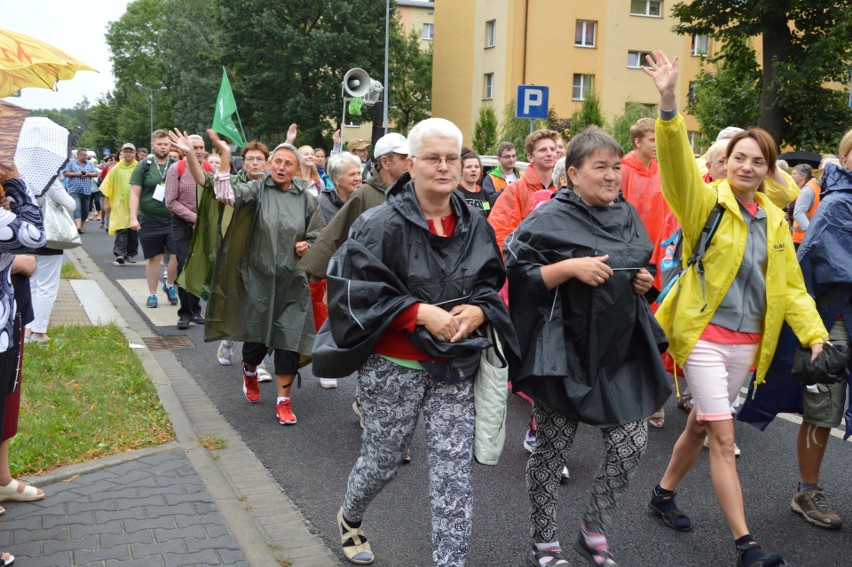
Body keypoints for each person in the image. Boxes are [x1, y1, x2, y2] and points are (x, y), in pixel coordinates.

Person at [642, 50, 827, 567]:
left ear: (769, 170)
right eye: (739, 157)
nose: (747, 166)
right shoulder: (705, 203)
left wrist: (816, 336)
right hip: (703, 336)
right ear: (727, 161)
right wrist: (669, 104)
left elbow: (790, 288)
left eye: (758, 160)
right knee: (722, 437)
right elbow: (677, 167)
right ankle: (747, 546)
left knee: (701, 424)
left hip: (747, 346)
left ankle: (661, 495)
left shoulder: (772, 219)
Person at [312, 117, 519, 566]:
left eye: (452, 158)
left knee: (453, 477)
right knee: (382, 461)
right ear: (412, 163)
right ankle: (350, 516)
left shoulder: (475, 224)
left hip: (455, 367)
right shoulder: (377, 223)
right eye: (432, 158)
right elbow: (351, 290)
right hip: (394, 366)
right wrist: (415, 312)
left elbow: (491, 283)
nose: (443, 168)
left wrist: (482, 309)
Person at [505, 127, 669, 567]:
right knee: (552, 450)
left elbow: (641, 262)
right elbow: (516, 273)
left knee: (631, 444)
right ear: (573, 174)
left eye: (616, 166)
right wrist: (568, 268)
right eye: (601, 167)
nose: (612, 175)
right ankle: (545, 545)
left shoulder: (627, 213)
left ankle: (593, 531)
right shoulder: (548, 217)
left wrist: (644, 282)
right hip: (565, 353)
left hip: (619, 349)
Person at [182, 129, 324, 425]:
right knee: (257, 341)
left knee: (289, 341)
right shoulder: (258, 190)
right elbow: (224, 193)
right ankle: (249, 370)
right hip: (258, 281)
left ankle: (284, 402)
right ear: (271, 164)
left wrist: (308, 244)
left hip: (291, 283)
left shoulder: (307, 198)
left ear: (297, 169)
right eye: (279, 162)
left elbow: (319, 233)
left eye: (289, 163)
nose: (283, 168)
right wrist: (222, 154)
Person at [302, 132, 409, 408]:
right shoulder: (365, 194)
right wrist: (317, 271)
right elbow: (336, 233)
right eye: (402, 157)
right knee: (369, 345)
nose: (409, 161)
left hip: (402, 285)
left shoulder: (412, 193)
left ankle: (373, 401)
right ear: (385, 161)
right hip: (366, 283)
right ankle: (366, 399)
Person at [165, 134, 212, 329]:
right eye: (195, 147)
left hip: (204, 225)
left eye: (201, 147)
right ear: (185, 149)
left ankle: (196, 310)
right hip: (182, 224)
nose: (199, 151)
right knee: (184, 265)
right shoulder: (177, 169)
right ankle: (184, 312)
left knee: (200, 266)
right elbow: (170, 202)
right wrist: (194, 218)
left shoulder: (210, 169)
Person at [488, 130, 558, 253]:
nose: (549, 153)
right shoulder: (516, 190)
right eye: (543, 150)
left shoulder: (564, 188)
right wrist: (514, 264)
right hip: (525, 264)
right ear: (530, 157)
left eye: (552, 149)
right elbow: (500, 230)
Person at [25, 180, 75, 343]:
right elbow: (71, 204)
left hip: (24, 237)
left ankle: (26, 329)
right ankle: (39, 331)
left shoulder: (17, 177)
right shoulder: (49, 180)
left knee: (29, 285)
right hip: (47, 238)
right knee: (46, 286)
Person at [61, 148, 97, 234]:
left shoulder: (89, 164)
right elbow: (65, 173)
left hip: (87, 190)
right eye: (84, 155)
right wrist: (77, 174)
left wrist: (87, 174)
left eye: (86, 155)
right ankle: (78, 226)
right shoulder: (72, 163)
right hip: (74, 190)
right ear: (78, 155)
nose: (86, 157)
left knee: (85, 210)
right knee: (77, 208)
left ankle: (81, 225)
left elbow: (95, 173)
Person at [319, 152, 362, 223]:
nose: (358, 178)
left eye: (359, 173)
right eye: (352, 174)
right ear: (336, 179)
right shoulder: (322, 203)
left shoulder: (366, 199)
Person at [790, 163, 822, 249]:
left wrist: (810, 233)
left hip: (802, 239)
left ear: (803, 176)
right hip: (808, 237)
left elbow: (798, 213)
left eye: (794, 174)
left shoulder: (806, 190)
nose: (791, 176)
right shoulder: (814, 187)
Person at [456, 150, 497, 216]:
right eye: (468, 167)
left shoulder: (485, 194)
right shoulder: (455, 193)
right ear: (461, 171)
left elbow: (487, 214)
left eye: (476, 167)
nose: (473, 170)